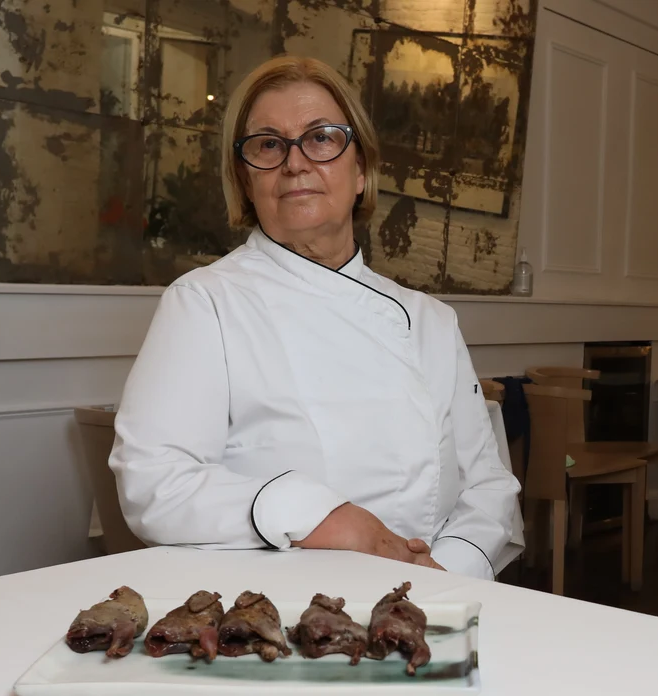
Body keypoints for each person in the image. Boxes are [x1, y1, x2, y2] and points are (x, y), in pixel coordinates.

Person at [110, 55, 522, 579]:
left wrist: (443, 574)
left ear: (361, 171)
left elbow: (489, 486)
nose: (294, 162)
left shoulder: (431, 321)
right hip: (282, 612)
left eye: (321, 138)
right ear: (246, 180)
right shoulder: (206, 302)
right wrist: (329, 520)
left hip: (437, 599)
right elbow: (154, 482)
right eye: (268, 144)